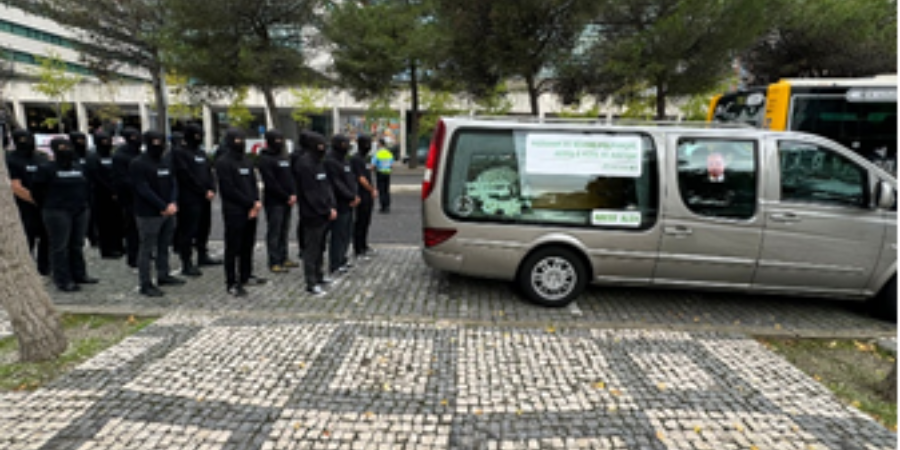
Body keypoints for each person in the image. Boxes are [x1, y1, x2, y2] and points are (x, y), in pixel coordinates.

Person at [31, 138, 98, 292]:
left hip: (80, 209)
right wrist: (48, 205)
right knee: (60, 246)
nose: (66, 149)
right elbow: (37, 191)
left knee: (77, 244)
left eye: (68, 146)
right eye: (62, 147)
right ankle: (62, 279)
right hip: (57, 210)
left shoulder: (79, 167)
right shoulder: (46, 168)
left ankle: (79, 274)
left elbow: (87, 185)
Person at [130, 131, 184, 297]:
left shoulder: (165, 162)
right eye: (154, 141)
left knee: (164, 245)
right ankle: (145, 283)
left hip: (168, 210)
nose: (158, 145)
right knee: (147, 248)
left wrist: (173, 202)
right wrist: (162, 205)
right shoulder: (138, 163)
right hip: (148, 213)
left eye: (161, 141)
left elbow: (173, 182)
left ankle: (163, 274)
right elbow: (142, 188)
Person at [215, 128, 265, 297]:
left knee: (248, 244)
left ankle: (246, 274)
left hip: (251, 209)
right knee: (233, 247)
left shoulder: (246, 161)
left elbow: (253, 183)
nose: (240, 143)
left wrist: (256, 202)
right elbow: (228, 189)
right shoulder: (223, 162)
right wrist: (249, 202)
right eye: (237, 140)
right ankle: (231, 282)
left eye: (242, 139)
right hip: (234, 210)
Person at [172, 125, 219, 276]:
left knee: (204, 227)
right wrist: (203, 190)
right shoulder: (179, 152)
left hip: (205, 197)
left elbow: (208, 171)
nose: (199, 138)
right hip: (189, 197)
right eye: (197, 135)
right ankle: (186, 262)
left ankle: (202, 254)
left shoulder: (201, 152)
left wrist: (212, 188)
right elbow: (185, 175)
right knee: (188, 230)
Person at [294, 131, 336, 296]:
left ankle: (319, 275)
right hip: (312, 214)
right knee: (311, 249)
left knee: (320, 247)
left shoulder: (319, 162)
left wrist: (331, 206)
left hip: (324, 212)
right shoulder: (304, 164)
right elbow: (310, 193)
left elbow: (326, 186)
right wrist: (325, 209)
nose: (323, 148)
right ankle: (311, 282)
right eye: (320, 145)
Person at [6, 130, 50, 275]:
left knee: (46, 237)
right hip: (23, 206)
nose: (27, 142)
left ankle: (45, 267)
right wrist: (36, 200)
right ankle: (26, 269)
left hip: (45, 204)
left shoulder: (41, 158)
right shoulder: (11, 159)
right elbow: (15, 186)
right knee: (26, 238)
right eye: (23, 139)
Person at [257, 129, 297, 273]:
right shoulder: (266, 159)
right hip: (275, 201)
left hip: (288, 200)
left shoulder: (283, 157)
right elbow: (271, 182)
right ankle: (274, 261)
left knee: (284, 230)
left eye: (281, 139)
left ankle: (283, 256)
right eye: (277, 139)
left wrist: (293, 193)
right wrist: (286, 196)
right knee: (275, 231)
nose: (280, 142)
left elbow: (290, 177)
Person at [84, 131, 125, 258]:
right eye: (104, 141)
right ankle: (107, 249)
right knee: (104, 224)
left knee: (117, 221)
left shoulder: (113, 156)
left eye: (109, 141)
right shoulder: (92, 157)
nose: (107, 144)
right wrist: (111, 190)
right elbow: (96, 177)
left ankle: (118, 245)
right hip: (100, 195)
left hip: (116, 193)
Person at [324, 134, 360, 275]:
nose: (346, 147)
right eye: (344, 144)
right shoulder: (330, 161)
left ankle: (342, 259)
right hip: (339, 202)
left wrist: (355, 195)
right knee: (337, 234)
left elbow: (351, 179)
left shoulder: (345, 161)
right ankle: (335, 262)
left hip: (349, 202)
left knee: (346, 232)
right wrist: (350, 196)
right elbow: (336, 184)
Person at [112, 127, 143, 268]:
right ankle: (133, 256)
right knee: (132, 228)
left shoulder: (138, 153)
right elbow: (121, 179)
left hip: (142, 196)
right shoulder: (120, 156)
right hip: (129, 197)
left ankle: (142, 253)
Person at [351, 133, 377, 259]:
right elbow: (361, 178)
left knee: (366, 221)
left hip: (367, 194)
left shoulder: (363, 158)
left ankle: (364, 245)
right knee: (360, 222)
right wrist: (371, 189)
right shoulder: (356, 159)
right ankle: (358, 248)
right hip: (361, 194)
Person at [373, 137, 394, 213]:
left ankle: (383, 207)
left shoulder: (378, 153)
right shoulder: (389, 153)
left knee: (381, 190)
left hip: (380, 173)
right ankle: (387, 206)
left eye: (378, 143)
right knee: (386, 190)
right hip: (387, 173)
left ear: (380, 144)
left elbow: (373, 165)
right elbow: (392, 165)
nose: (377, 145)